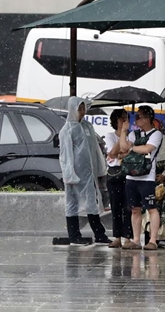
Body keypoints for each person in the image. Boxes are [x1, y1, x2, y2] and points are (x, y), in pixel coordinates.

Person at [59, 97, 111, 246]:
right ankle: (74, 235)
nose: (82, 111)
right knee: (73, 203)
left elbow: (95, 148)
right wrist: (69, 174)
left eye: (83, 108)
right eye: (79, 108)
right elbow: (65, 155)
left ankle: (99, 234)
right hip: (76, 174)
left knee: (92, 203)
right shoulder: (67, 130)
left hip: (90, 173)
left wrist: (101, 167)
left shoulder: (88, 126)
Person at [118, 105, 163, 250]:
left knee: (151, 208)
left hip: (147, 177)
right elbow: (123, 147)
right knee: (135, 209)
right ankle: (136, 239)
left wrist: (131, 149)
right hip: (132, 177)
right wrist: (124, 132)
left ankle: (153, 240)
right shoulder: (134, 134)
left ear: (148, 118)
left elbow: (147, 149)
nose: (136, 119)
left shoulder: (156, 134)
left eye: (139, 116)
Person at [104, 109, 133, 248]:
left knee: (128, 207)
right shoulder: (110, 136)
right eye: (122, 119)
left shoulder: (132, 135)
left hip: (128, 173)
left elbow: (129, 152)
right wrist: (121, 135)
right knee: (116, 206)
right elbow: (113, 153)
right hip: (115, 173)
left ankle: (128, 236)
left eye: (126, 118)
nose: (125, 121)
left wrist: (123, 151)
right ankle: (117, 236)